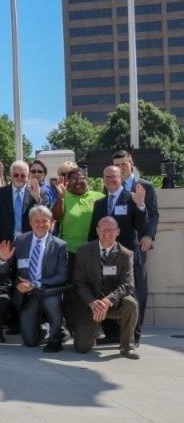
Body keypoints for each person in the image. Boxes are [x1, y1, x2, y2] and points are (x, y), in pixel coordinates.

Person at [89, 165, 148, 344]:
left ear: (121, 177)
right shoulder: (100, 203)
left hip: (127, 257)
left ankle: (133, 337)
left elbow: (142, 226)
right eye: (106, 177)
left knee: (132, 297)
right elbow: (93, 232)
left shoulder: (131, 199)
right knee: (106, 292)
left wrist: (140, 205)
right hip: (105, 256)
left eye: (114, 176)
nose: (110, 180)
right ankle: (112, 334)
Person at [72, 217, 140, 359]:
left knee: (131, 304)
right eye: (103, 230)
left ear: (118, 232)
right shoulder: (83, 252)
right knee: (82, 347)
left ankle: (127, 346)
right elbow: (80, 282)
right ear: (97, 231)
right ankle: (94, 331)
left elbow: (128, 285)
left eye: (110, 230)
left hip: (113, 302)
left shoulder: (125, 254)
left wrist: (107, 301)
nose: (106, 233)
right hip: (91, 304)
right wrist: (92, 302)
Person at [4, 205, 70, 352]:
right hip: (26, 294)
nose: (40, 224)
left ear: (51, 222)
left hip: (48, 291)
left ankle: (54, 339)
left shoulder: (60, 245)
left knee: (52, 303)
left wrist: (35, 283)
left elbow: (62, 276)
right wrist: (4, 261)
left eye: (44, 221)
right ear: (30, 222)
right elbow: (11, 268)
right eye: (36, 221)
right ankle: (53, 328)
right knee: (30, 341)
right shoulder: (20, 240)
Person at [112, 149, 159, 344]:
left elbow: (154, 214)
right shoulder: (112, 186)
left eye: (124, 164)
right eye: (118, 165)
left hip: (137, 246)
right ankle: (116, 333)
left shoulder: (145, 185)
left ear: (131, 164)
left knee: (138, 289)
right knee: (115, 288)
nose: (121, 168)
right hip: (114, 247)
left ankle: (134, 336)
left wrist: (149, 235)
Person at [0, 160, 49, 246]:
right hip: (5, 244)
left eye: (23, 175)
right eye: (16, 175)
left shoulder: (37, 192)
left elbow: (46, 216)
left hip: (30, 242)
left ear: (28, 176)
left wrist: (37, 198)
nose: (19, 178)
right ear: (10, 175)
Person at [51, 167, 104, 261]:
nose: (77, 182)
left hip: (94, 249)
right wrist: (60, 198)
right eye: (74, 179)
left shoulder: (98, 197)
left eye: (81, 178)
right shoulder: (64, 196)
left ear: (87, 180)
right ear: (68, 181)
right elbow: (56, 216)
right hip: (69, 250)